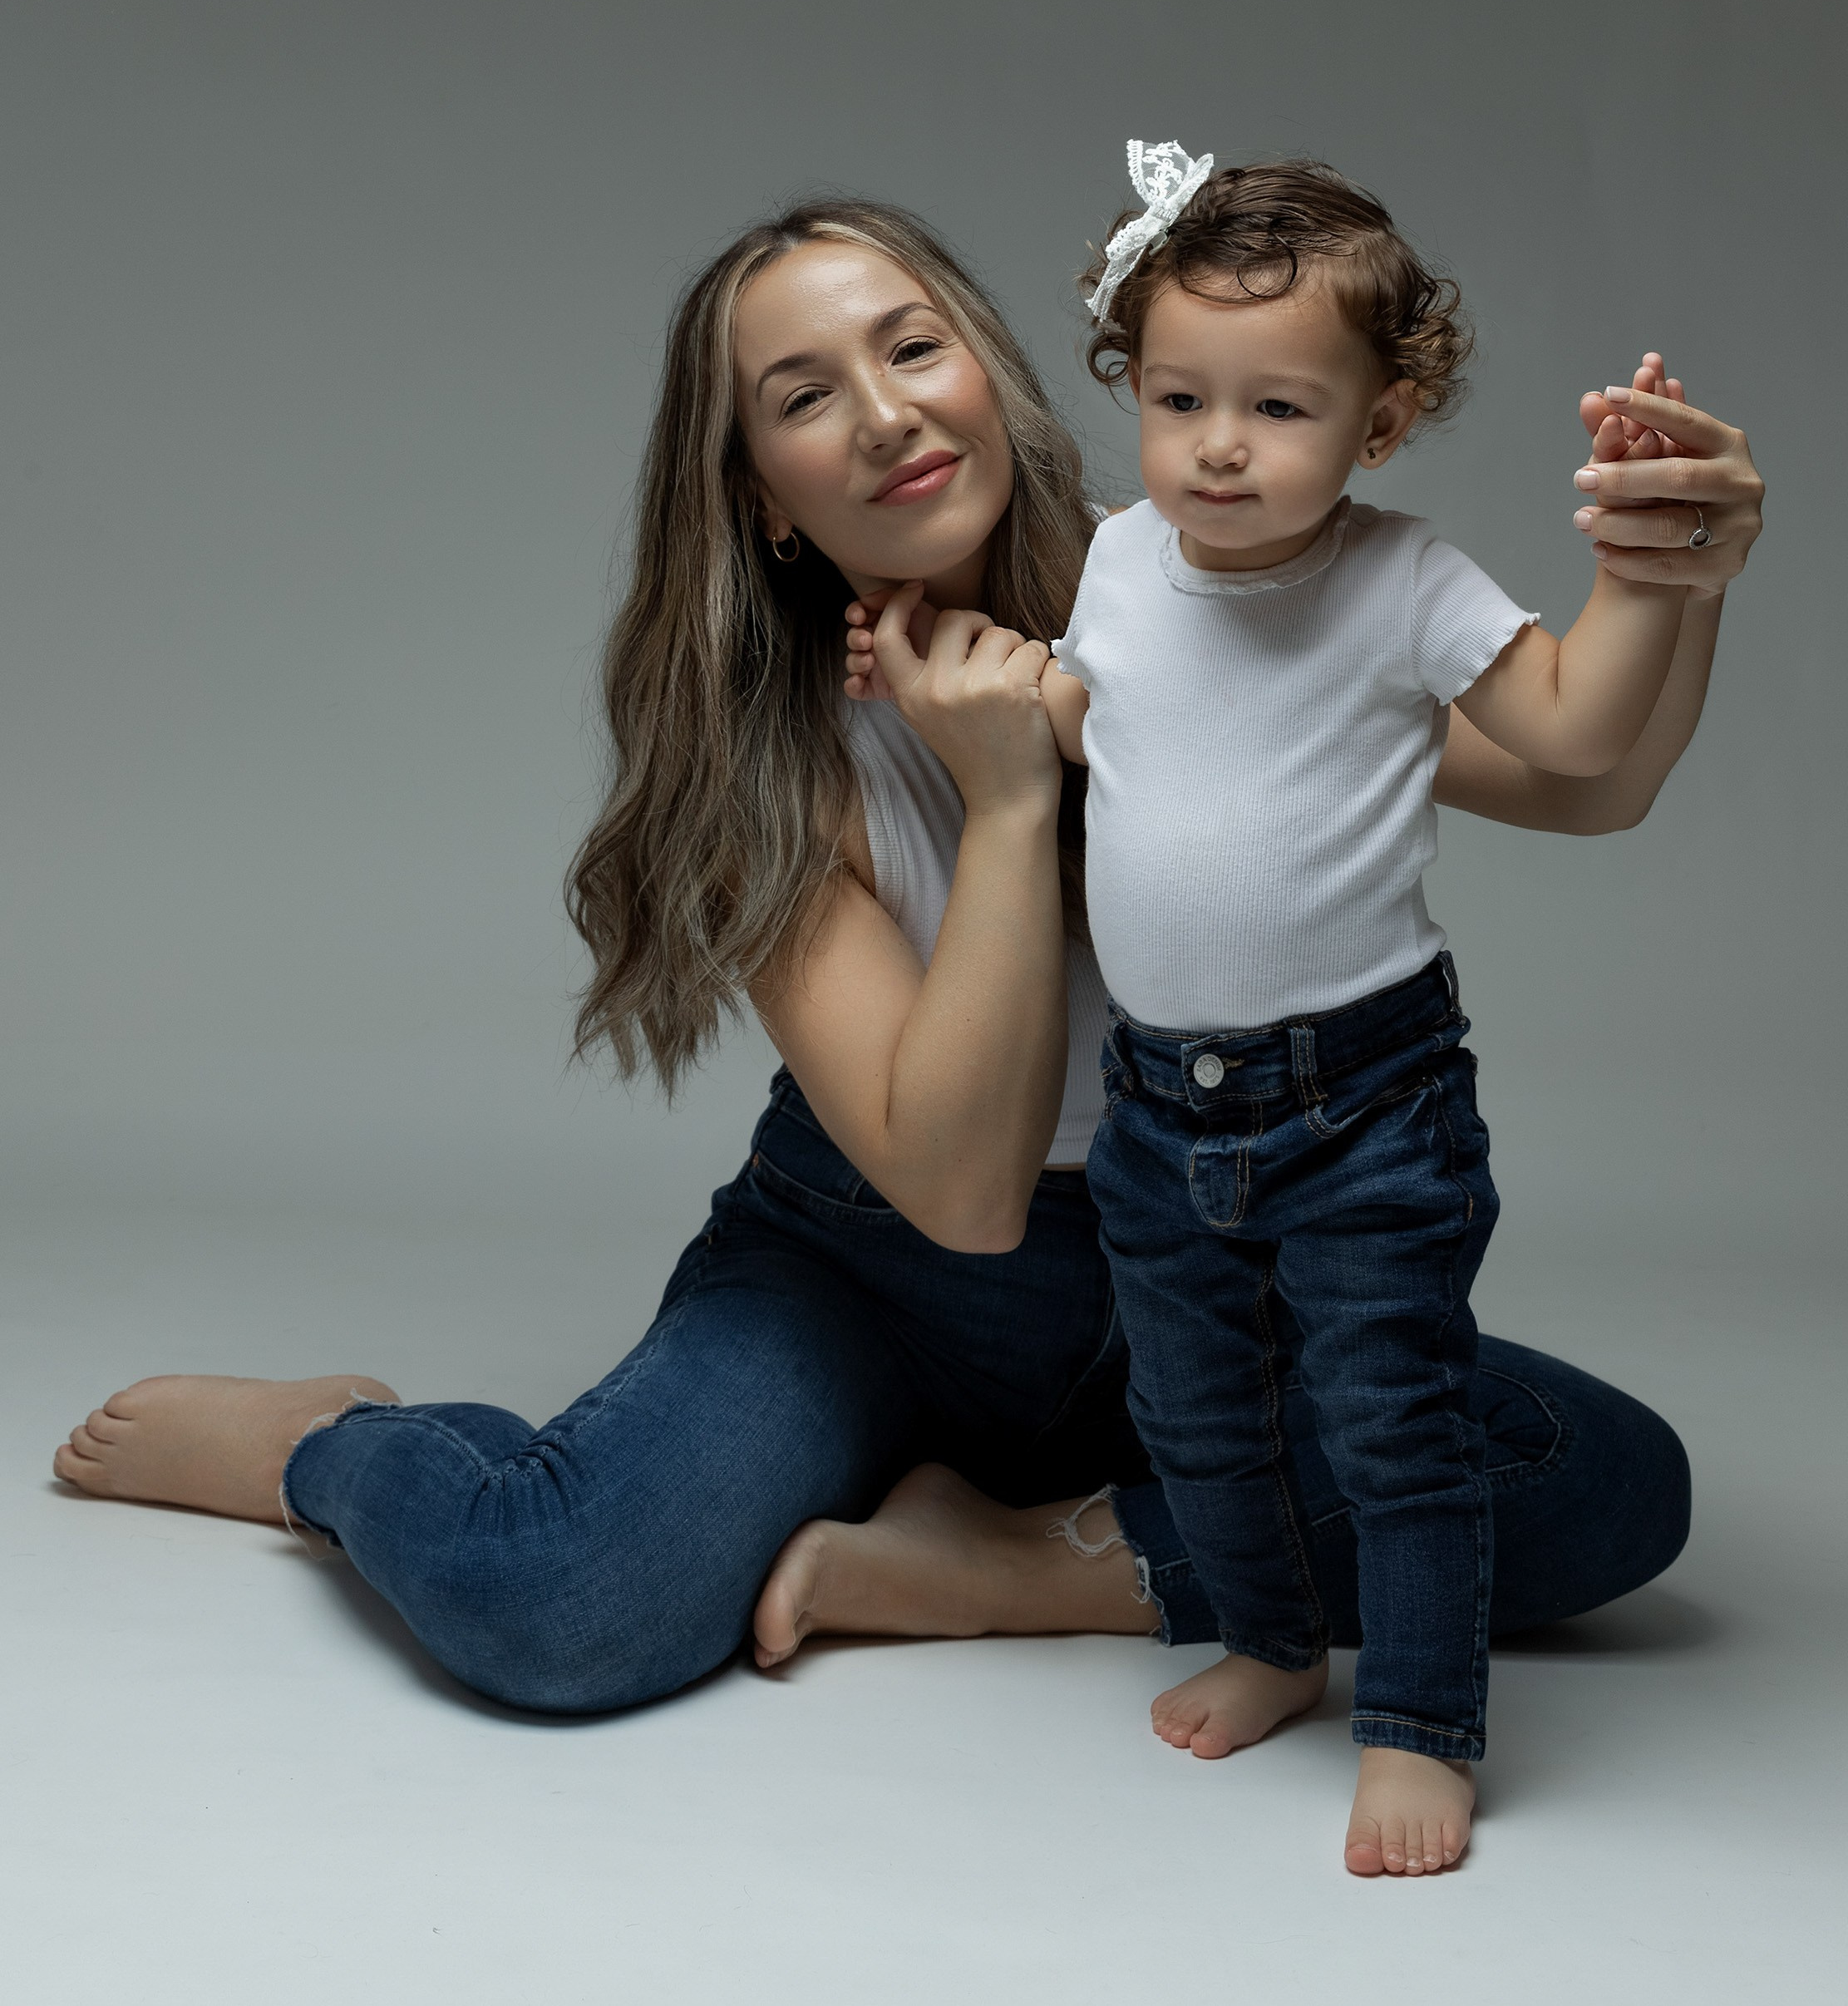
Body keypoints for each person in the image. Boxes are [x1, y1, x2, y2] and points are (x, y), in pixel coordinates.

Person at [52, 200, 1761, 1844]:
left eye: (910, 348)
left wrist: (1668, 577)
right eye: (804, 397)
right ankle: (328, 1444)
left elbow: (1586, 780)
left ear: (995, 375)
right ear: (764, 497)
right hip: (873, 1277)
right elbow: (961, 1192)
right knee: (552, 1601)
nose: (881, 417)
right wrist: (1008, 802)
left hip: (1203, 1255)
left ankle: (1019, 1562)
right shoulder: (761, 770)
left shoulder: (1179, 592)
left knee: (1596, 1484)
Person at [1011, 145, 1704, 1877]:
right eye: (1178, 399)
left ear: (1379, 425)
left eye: (1277, 406)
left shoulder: (1402, 580)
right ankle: (1262, 1636)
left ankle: (1414, 1721)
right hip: (1156, 1106)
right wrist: (992, 696)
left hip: (1360, 1104)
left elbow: (1555, 733)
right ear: (1133, 391)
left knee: (1389, 1423)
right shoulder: (1111, 556)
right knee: (1190, 1415)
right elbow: (1110, 727)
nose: (1218, 445)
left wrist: (1636, 575)